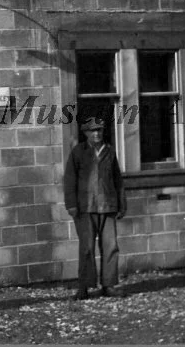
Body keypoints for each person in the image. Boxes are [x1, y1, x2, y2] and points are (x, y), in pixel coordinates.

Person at [63, 117, 126, 300]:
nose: (97, 133)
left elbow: (117, 180)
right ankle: (84, 287)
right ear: (86, 133)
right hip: (85, 207)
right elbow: (69, 180)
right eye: (93, 131)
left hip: (107, 206)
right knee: (86, 248)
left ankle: (109, 285)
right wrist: (72, 205)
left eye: (99, 130)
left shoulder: (110, 152)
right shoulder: (78, 152)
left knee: (111, 246)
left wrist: (122, 204)